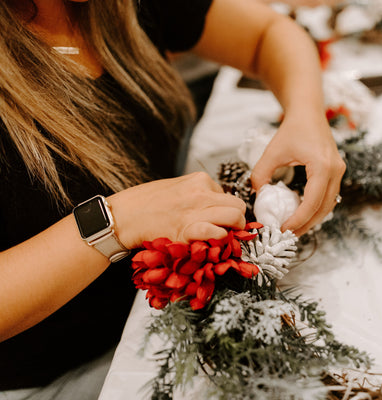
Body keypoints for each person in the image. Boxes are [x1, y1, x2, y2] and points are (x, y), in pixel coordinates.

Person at [0, 0, 345, 398]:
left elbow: (268, 34)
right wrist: (117, 221)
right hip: (54, 373)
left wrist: (305, 114)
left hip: (159, 314)